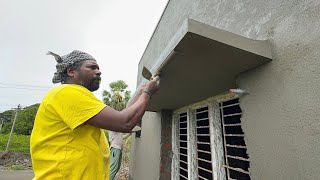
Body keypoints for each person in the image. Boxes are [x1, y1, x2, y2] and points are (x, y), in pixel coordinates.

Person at [30, 50, 160, 180]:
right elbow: (124, 122)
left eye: (98, 68)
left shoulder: (75, 96)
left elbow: (121, 117)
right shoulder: (67, 92)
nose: (98, 71)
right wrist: (147, 93)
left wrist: (142, 92)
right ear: (71, 71)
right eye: (92, 67)